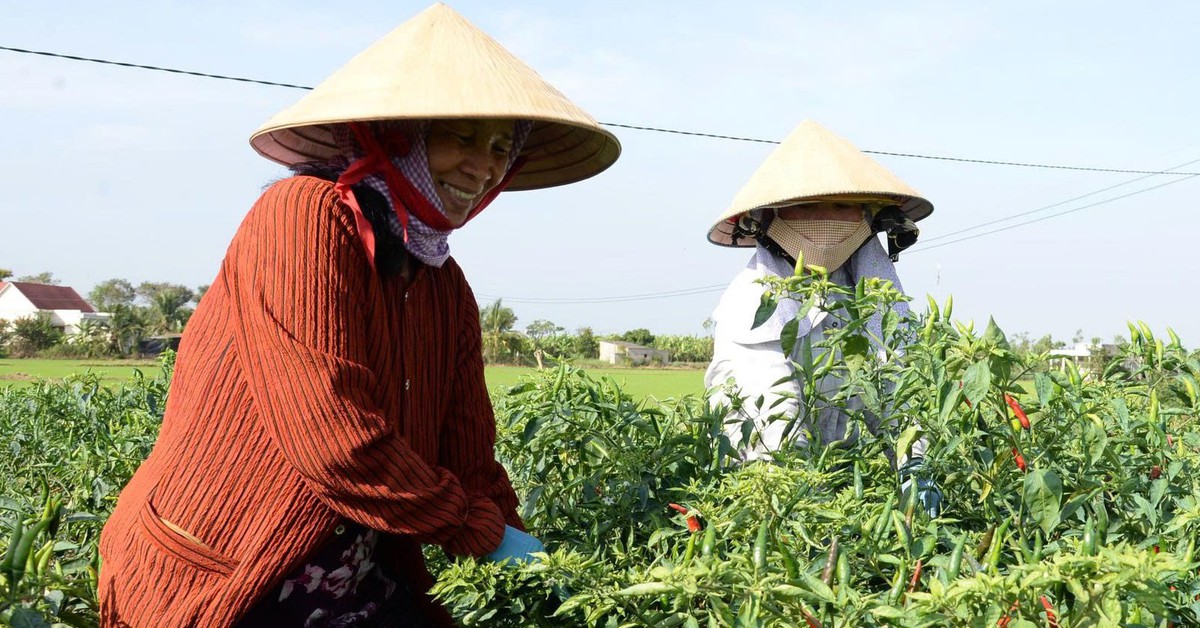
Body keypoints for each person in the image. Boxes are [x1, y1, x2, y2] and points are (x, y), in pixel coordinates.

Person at [97, 4, 620, 627]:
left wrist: (538, 555)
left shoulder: (443, 283)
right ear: (396, 133)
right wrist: (475, 528)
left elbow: (468, 449)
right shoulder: (302, 216)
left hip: (350, 578)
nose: (483, 167)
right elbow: (330, 433)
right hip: (223, 570)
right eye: (461, 136)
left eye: (500, 147)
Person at [703, 119, 942, 515]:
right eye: (807, 206)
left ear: (868, 217)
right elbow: (773, 426)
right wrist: (803, 510)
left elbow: (898, 390)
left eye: (841, 206)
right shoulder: (752, 304)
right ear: (769, 217)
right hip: (761, 487)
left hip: (841, 477)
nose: (825, 219)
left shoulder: (871, 295)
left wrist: (913, 461)